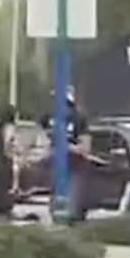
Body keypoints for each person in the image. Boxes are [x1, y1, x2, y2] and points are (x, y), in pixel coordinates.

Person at [39, 89, 92, 223]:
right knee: (57, 206)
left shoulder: (79, 118)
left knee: (73, 207)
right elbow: (43, 138)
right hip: (58, 168)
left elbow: (85, 148)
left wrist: (66, 147)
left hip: (76, 168)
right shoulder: (49, 117)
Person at [0, 105, 20, 218]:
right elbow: (7, 142)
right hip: (4, 161)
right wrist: (12, 153)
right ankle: (5, 212)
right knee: (7, 188)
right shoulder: (9, 127)